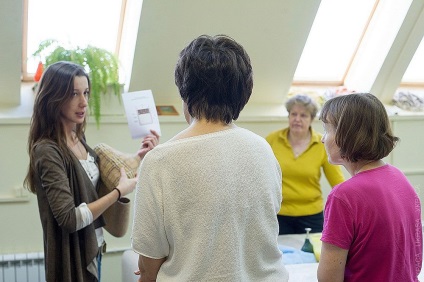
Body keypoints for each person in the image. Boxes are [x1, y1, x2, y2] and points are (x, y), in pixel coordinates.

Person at [131, 34, 289, 281]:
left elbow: (149, 264)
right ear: (243, 92)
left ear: (185, 90)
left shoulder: (160, 161)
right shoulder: (263, 150)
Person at [24, 61, 159, 282]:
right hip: (71, 258)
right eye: (74, 94)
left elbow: (91, 186)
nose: (84, 102)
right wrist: (117, 192)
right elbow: (69, 218)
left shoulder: (79, 140)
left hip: (93, 248)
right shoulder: (47, 151)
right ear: (53, 98)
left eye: (85, 92)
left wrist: (139, 158)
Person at [317, 93, 422, 281]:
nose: (323, 139)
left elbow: (328, 278)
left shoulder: (344, 196)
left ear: (346, 134)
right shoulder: (398, 178)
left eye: (327, 130)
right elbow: (414, 259)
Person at [266, 94, 345, 235]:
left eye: (303, 115)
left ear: (311, 119)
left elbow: (338, 182)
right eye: (293, 114)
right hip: (278, 213)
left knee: (312, 255)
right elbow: (260, 175)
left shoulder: (322, 143)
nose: (297, 119)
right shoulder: (273, 139)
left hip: (312, 215)